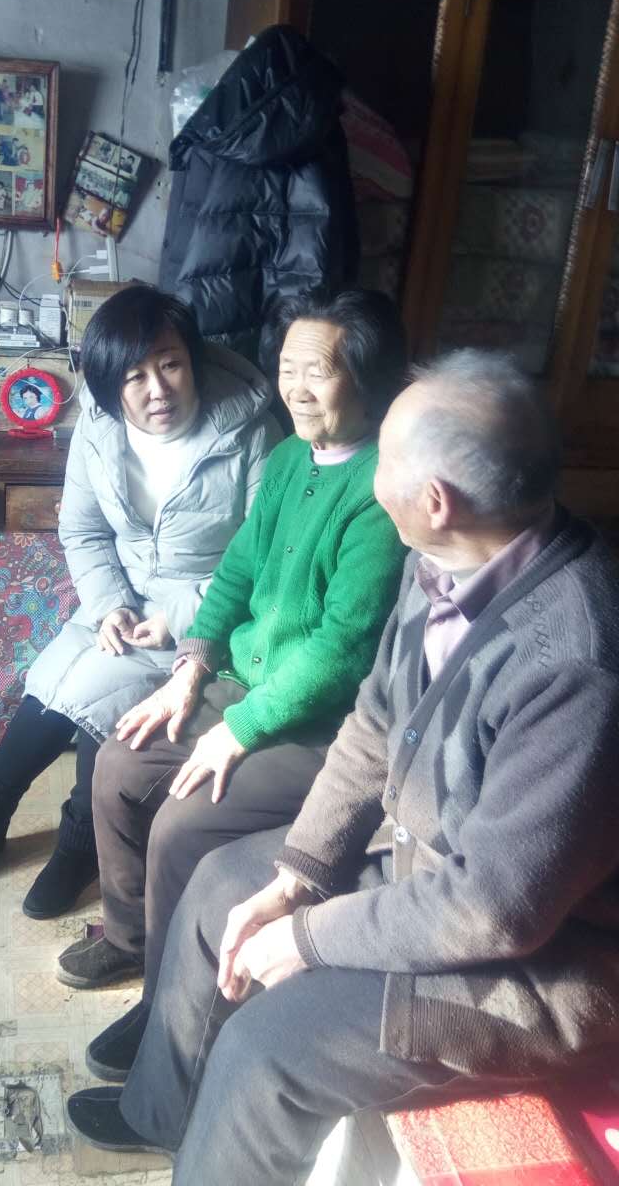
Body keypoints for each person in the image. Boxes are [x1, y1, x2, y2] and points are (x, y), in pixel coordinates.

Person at [67, 349, 619, 1186]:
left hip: (535, 967)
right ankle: (165, 1118)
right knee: (224, 885)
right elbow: (372, 726)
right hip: (422, 869)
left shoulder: (576, 661)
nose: (367, 474)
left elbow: (495, 911)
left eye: (384, 460)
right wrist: (300, 877)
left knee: (271, 1045)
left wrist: (309, 937)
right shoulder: (443, 561)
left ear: (435, 500)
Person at [56, 289, 408, 995]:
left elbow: (341, 651)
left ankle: (164, 998)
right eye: (287, 369)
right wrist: (191, 669)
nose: (295, 389)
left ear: (366, 379)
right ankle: (128, 941)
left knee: (182, 824)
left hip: (323, 725)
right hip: (243, 683)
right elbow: (237, 573)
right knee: (118, 767)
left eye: (317, 372)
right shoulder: (290, 459)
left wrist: (239, 729)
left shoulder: (381, 491)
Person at [0, 286, 281, 919]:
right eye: (135, 376)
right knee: (53, 688)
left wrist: (178, 615)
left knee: (106, 701)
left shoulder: (252, 432)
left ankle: (79, 841)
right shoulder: (97, 424)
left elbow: (264, 561)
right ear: (110, 385)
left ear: (194, 360)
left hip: (207, 617)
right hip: (121, 601)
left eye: (170, 365)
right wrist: (109, 604)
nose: (157, 390)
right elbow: (84, 530)